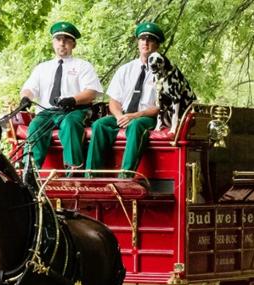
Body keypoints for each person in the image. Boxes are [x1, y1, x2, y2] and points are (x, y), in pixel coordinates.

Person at [21, 22, 103, 171]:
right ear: (53, 43)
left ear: (74, 44)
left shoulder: (83, 66)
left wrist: (73, 100)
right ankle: (29, 170)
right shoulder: (42, 68)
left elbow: (91, 92)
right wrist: (26, 98)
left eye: (67, 40)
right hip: (47, 112)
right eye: (58, 39)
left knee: (70, 124)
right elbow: (29, 88)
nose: (62, 43)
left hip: (74, 111)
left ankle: (74, 168)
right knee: (34, 126)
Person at [86, 22, 165, 177]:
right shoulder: (125, 69)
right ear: (138, 42)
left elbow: (160, 107)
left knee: (136, 125)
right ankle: (91, 175)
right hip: (124, 115)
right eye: (142, 38)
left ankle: (125, 175)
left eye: (150, 39)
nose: (145, 42)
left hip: (148, 118)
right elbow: (114, 101)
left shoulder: (164, 71)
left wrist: (135, 115)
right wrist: (120, 116)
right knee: (100, 124)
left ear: (157, 45)